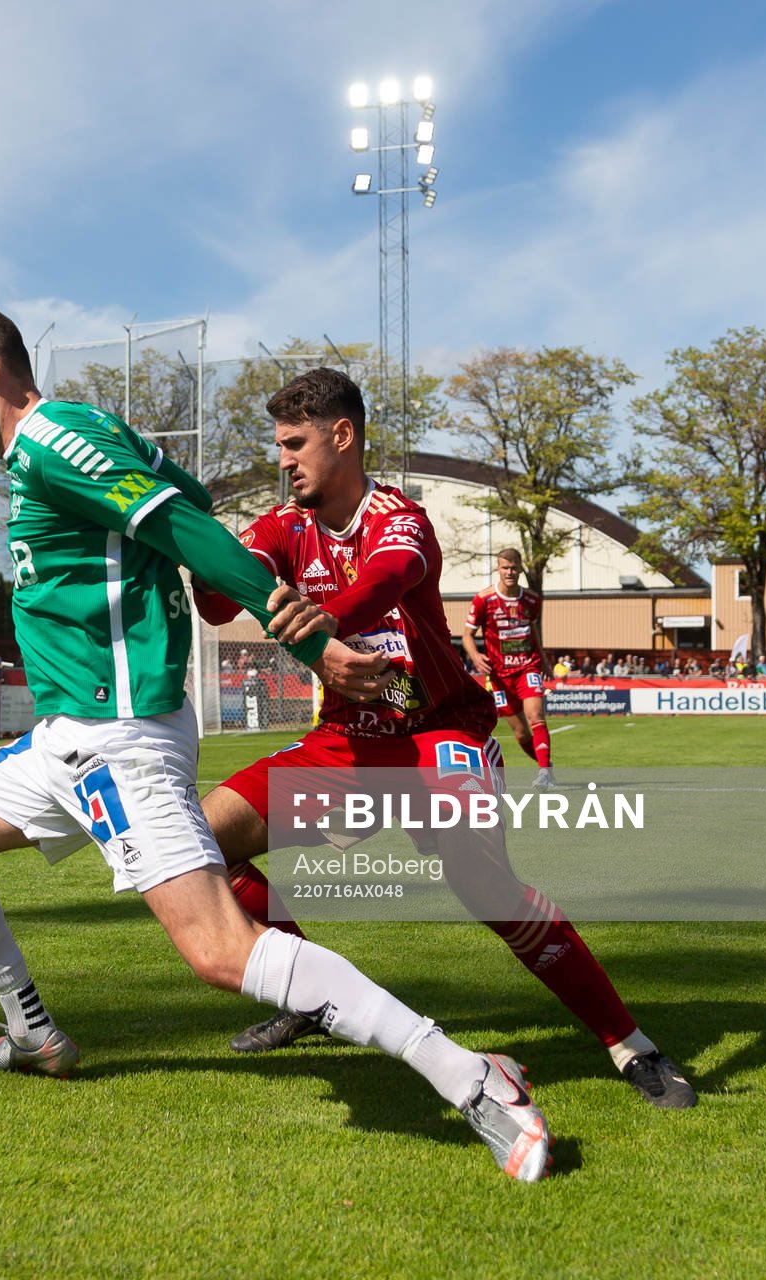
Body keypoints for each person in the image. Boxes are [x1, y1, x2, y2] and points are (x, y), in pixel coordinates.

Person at [0, 305, 552, 1181]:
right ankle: (34, 1031)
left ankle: (474, 1079)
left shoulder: (53, 439)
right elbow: (189, 496)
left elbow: (185, 526)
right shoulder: (84, 429)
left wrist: (314, 641)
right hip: (63, 735)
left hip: (118, 735)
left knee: (218, 951)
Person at [189, 367, 694, 1110]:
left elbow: (391, 578)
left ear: (342, 435)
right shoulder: (281, 527)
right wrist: (191, 533)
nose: (284, 460)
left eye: (295, 444)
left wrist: (327, 620)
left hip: (436, 724)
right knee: (198, 843)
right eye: (278, 447)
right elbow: (214, 602)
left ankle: (630, 1045)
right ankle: (303, 994)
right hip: (349, 737)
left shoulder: (400, 516)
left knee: (484, 886)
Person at [463, 548, 554, 790]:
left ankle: (544, 772)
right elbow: (467, 636)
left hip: (527, 667)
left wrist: (543, 659)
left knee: (536, 716)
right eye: (505, 567)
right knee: (521, 733)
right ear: (498, 569)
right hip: (498, 675)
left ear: (521, 568)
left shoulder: (532, 600)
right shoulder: (484, 599)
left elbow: (532, 630)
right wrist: (475, 655)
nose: (510, 572)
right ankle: (547, 765)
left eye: (514, 567)